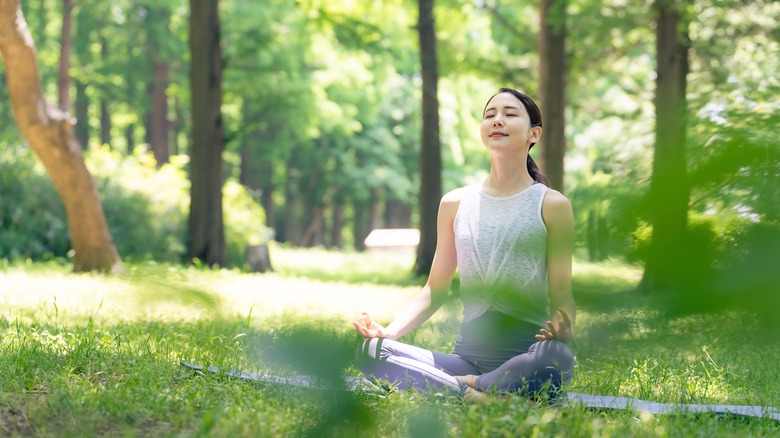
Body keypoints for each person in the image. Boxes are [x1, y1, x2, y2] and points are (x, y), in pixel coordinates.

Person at [352, 88, 576, 400]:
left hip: (525, 357)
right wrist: (389, 332)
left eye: (509, 114)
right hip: (465, 359)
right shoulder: (455, 202)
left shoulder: (552, 205)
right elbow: (434, 290)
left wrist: (565, 330)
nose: (497, 120)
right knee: (372, 350)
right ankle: (476, 393)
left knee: (557, 359)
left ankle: (466, 386)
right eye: (490, 115)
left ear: (533, 134)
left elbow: (563, 294)